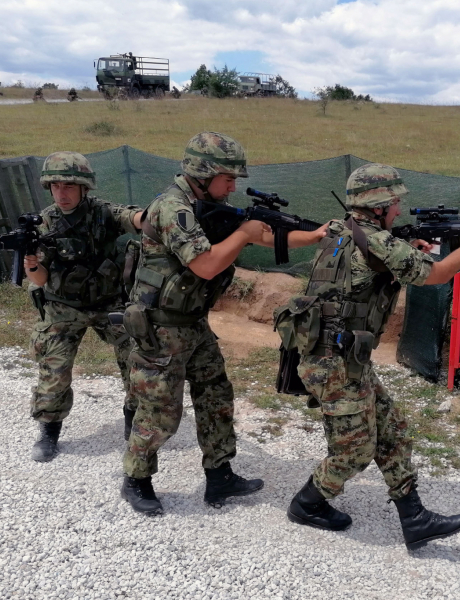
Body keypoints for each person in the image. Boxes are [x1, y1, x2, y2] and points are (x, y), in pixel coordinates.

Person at [279, 163, 460, 549]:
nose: (399, 208)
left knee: (394, 431)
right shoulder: (378, 241)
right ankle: (307, 504)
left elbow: (369, 266)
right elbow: (439, 273)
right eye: (394, 201)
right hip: (334, 362)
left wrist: (404, 250)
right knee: (353, 452)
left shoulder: (340, 230)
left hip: (342, 356)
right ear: (378, 204)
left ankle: (414, 519)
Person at [119, 132, 327, 515]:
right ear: (202, 173)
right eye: (228, 178)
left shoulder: (207, 206)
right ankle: (137, 479)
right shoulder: (174, 208)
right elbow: (207, 264)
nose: (234, 186)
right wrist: (245, 234)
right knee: (160, 410)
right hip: (160, 329)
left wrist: (315, 236)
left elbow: (264, 236)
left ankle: (220, 475)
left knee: (216, 398)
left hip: (194, 323)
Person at [23, 151, 146, 463]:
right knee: (54, 369)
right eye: (55, 187)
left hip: (108, 303)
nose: (61, 193)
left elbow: (132, 217)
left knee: (139, 358)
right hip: (63, 307)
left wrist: (156, 215)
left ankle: (133, 420)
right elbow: (41, 277)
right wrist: (31, 264)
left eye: (68, 186)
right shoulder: (46, 222)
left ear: (83, 188)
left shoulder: (102, 212)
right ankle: (49, 431)